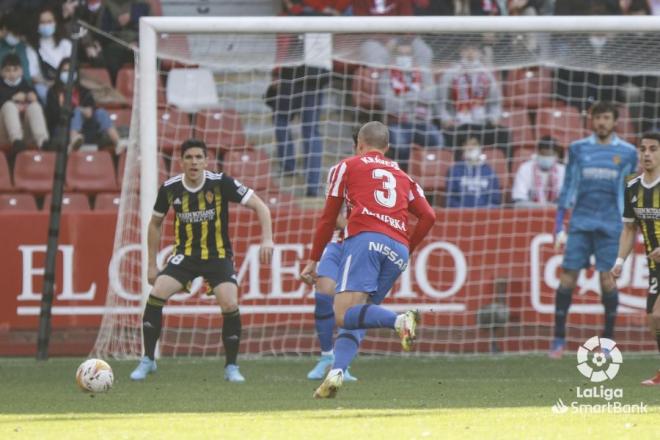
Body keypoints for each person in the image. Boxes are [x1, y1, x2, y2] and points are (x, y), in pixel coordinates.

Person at [300, 121, 436, 398]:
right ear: (386, 148)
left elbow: (328, 218)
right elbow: (429, 216)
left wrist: (313, 259)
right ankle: (336, 373)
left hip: (365, 240)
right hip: (397, 249)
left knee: (342, 313)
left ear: (359, 144)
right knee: (358, 316)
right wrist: (406, 248)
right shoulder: (403, 175)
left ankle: (401, 321)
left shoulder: (346, 166)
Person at [129, 139, 274, 383]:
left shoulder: (220, 183)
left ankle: (231, 367)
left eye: (198, 157)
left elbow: (260, 206)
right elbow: (154, 224)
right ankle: (148, 360)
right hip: (185, 256)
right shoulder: (170, 188)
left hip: (217, 256)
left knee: (229, 304)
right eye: (189, 157)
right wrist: (152, 265)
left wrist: (267, 239)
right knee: (157, 293)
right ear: (181, 161)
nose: (194, 162)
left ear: (206, 161)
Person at [550, 101, 638, 359]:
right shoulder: (578, 149)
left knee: (607, 280)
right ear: (591, 120)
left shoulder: (628, 152)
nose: (601, 122)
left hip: (611, 225)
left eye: (606, 118)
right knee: (568, 278)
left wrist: (631, 224)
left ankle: (608, 343)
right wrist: (558, 226)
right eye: (598, 117)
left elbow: (629, 191)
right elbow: (568, 187)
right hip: (580, 224)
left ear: (614, 121)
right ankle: (558, 340)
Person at [307, 133, 359, 382]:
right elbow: (332, 213)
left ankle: (342, 363)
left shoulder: (386, 176)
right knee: (323, 291)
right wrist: (354, 226)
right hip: (340, 243)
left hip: (364, 249)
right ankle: (326, 355)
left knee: (351, 305)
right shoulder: (343, 172)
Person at [612, 132, 660, 386]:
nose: (647, 154)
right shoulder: (632, 185)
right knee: (653, 317)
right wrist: (619, 261)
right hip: (655, 266)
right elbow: (629, 228)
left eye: (653, 149)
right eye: (643, 149)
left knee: (659, 314)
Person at [379, 36, 444, 171]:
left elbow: (432, 96)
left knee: (438, 141)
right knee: (400, 144)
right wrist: (417, 99)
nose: (405, 57)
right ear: (394, 56)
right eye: (401, 54)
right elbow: (389, 103)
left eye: (408, 54)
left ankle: (428, 177)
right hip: (398, 123)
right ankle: (402, 175)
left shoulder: (423, 72)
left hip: (423, 122)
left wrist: (405, 97)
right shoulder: (386, 74)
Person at [437, 39, 510, 157]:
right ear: (461, 52)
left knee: (503, 134)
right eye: (467, 50)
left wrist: (494, 117)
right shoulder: (450, 73)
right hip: (458, 123)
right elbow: (440, 101)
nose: (470, 53)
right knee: (449, 136)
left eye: (474, 50)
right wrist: (446, 118)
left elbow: (495, 101)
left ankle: (504, 169)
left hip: (482, 123)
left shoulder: (487, 74)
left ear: (479, 53)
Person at [45, 58, 119, 152]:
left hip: (86, 130)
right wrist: (72, 111)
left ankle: (117, 142)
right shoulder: (53, 92)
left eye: (71, 70)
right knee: (76, 111)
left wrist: (88, 111)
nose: (68, 74)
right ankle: (73, 140)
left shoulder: (84, 91)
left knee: (101, 112)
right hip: (62, 129)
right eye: (65, 71)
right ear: (60, 73)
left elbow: (91, 110)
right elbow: (51, 116)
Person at [0, 53, 49, 156]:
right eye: (8, 70)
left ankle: (43, 142)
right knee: (9, 105)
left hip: (26, 134)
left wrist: (35, 100)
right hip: (4, 133)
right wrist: (12, 99)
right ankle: (16, 141)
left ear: (21, 71)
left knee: (35, 106)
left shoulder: (27, 86)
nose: (12, 74)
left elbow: (43, 109)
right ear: (2, 72)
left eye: (15, 70)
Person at [28, 6, 72, 102]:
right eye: (42, 22)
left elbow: (71, 69)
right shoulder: (32, 47)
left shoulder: (66, 44)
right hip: (44, 85)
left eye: (49, 22)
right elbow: (33, 75)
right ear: (37, 25)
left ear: (55, 23)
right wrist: (47, 83)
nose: (46, 25)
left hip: (66, 85)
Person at [445, 136, 501, 208]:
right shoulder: (455, 170)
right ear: (463, 148)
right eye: (467, 145)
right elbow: (451, 200)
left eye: (474, 144)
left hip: (485, 216)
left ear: (480, 147)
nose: (470, 147)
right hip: (460, 215)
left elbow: (495, 200)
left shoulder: (489, 171)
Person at [512, 136, 565, 207]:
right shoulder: (525, 168)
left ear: (556, 155)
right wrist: (545, 207)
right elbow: (519, 202)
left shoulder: (563, 170)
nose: (546, 157)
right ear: (538, 153)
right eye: (543, 154)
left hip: (557, 213)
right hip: (529, 213)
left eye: (549, 155)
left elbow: (569, 201)